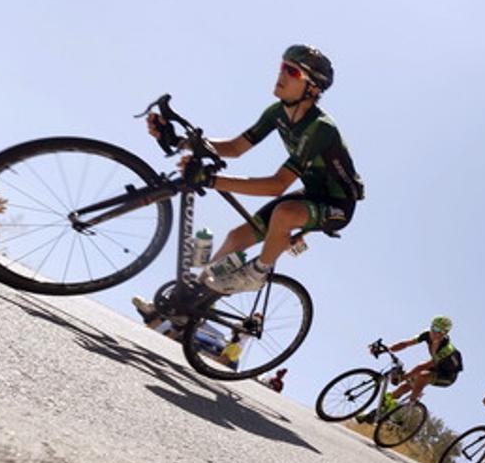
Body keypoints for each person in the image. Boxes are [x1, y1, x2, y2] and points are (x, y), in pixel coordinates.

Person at [136, 44, 363, 306]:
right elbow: (234, 147)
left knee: (285, 213)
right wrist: (179, 141)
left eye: (292, 71)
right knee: (236, 237)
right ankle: (185, 305)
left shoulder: (320, 127)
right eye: (282, 66)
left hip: (338, 204)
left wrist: (210, 180)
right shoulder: (276, 113)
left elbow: (277, 185)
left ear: (312, 88)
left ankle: (257, 273)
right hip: (310, 194)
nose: (282, 74)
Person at [357, 316, 462, 422]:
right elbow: (406, 344)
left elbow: (424, 366)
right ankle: (374, 415)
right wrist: (385, 350)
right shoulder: (426, 334)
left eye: (440, 331)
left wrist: (404, 377)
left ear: (445, 333)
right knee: (402, 388)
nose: (435, 332)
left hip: (447, 377)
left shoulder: (447, 350)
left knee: (422, 375)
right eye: (434, 328)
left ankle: (412, 402)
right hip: (435, 368)